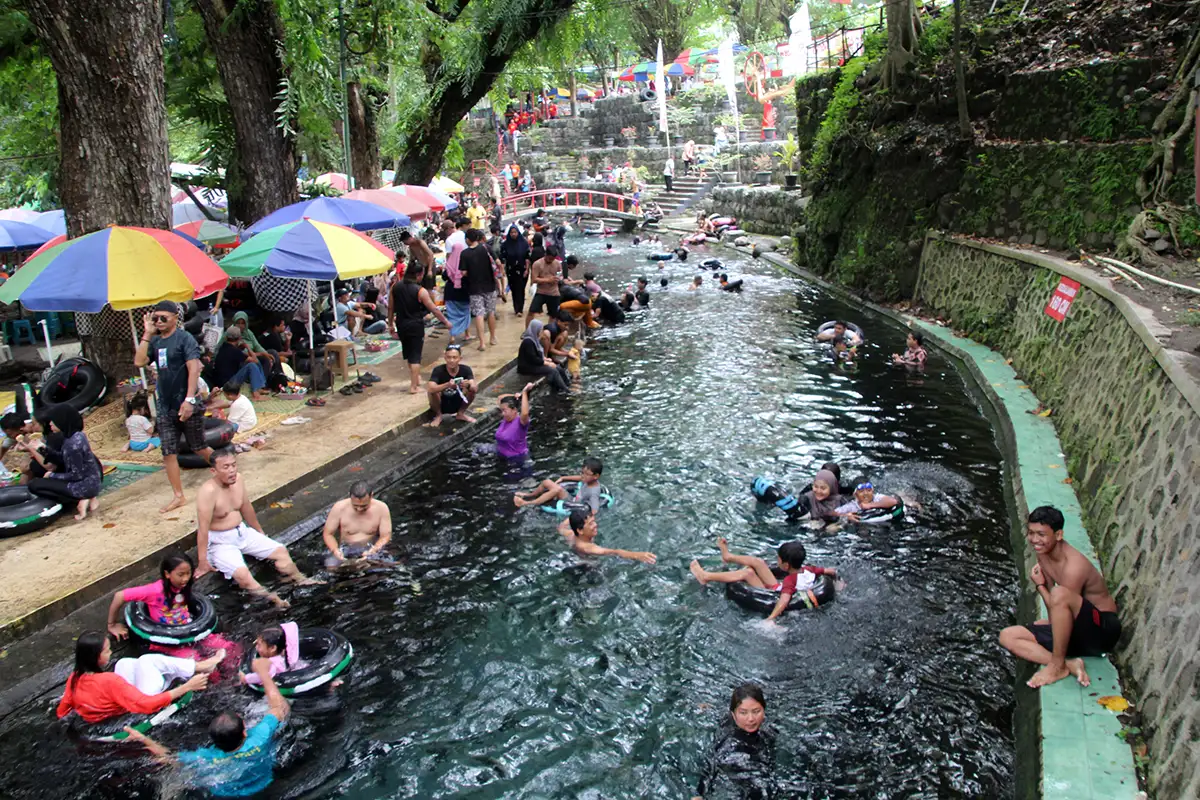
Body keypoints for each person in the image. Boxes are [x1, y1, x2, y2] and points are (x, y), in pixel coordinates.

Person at [126, 655, 290, 797]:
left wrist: (142, 739)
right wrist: (263, 672)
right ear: (245, 733)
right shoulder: (260, 737)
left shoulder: (205, 757)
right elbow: (279, 708)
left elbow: (167, 758)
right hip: (264, 785)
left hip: (222, 794)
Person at [998, 506, 1121, 689]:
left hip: (1102, 632)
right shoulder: (1043, 553)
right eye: (1031, 533)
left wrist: (1040, 586)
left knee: (1059, 594)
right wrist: (1050, 622)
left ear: (1058, 535)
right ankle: (1068, 665)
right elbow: (1056, 612)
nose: (1034, 540)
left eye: (1041, 534)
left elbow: (1060, 605)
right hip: (1078, 631)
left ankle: (1056, 666)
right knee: (1007, 636)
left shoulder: (1074, 567)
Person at [195, 448, 315, 607]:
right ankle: (275, 600)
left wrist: (259, 531)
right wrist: (202, 561)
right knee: (243, 575)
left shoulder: (238, 480)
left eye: (233, 465)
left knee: (280, 551)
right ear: (213, 471)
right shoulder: (208, 492)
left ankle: (301, 580)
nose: (231, 470)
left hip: (241, 531)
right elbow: (202, 529)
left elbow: (246, 508)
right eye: (225, 467)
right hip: (220, 541)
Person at [135, 300, 212, 513]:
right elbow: (139, 361)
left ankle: (224, 471)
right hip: (165, 405)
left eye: (163, 318)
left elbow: (193, 369)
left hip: (186, 401)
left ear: (175, 318)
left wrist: (188, 400)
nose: (158, 322)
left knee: (199, 446)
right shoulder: (156, 342)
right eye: (155, 318)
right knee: (168, 452)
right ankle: (178, 495)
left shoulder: (184, 339)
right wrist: (147, 334)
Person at [105, 551, 238, 666]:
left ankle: (235, 681)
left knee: (228, 648)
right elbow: (120, 595)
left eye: (188, 573)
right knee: (195, 661)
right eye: (180, 575)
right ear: (167, 574)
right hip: (167, 642)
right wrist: (112, 624)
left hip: (189, 632)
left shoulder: (184, 586)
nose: (185, 579)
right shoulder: (155, 591)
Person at [56, 630, 216, 724]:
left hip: (107, 714)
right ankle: (199, 666)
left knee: (123, 664)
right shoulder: (109, 681)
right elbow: (146, 705)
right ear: (96, 657)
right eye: (107, 651)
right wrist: (187, 687)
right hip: (135, 711)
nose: (111, 653)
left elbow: (61, 712)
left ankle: (188, 667)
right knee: (148, 660)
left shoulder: (74, 677)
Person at [688, 538, 838, 622]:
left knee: (747, 574)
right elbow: (829, 571)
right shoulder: (809, 569)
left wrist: (771, 618)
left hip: (774, 593)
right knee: (758, 562)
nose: (776, 562)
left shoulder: (790, 581)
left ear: (785, 565)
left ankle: (706, 576)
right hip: (780, 586)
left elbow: (784, 599)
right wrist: (837, 580)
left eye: (778, 560)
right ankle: (728, 556)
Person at [692, 684, 776, 800]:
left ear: (764, 711)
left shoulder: (770, 731)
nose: (751, 719)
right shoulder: (729, 741)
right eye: (743, 713)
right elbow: (712, 762)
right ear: (734, 715)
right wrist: (699, 794)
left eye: (756, 711)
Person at [27, 405, 102, 521]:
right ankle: (88, 497)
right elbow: (63, 459)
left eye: (54, 421)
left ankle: (81, 498)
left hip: (84, 485)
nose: (50, 423)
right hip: (91, 481)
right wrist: (42, 448)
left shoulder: (73, 444)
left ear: (62, 421)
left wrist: (52, 475)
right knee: (41, 480)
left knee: (34, 485)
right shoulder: (75, 436)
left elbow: (76, 475)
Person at [388, 262, 451, 393]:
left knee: (409, 353)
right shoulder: (420, 291)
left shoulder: (395, 287)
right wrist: (445, 321)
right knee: (416, 355)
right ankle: (413, 387)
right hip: (415, 325)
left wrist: (390, 325)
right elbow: (433, 308)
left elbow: (390, 307)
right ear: (418, 275)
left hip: (401, 324)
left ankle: (415, 380)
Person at [322, 481, 393, 567]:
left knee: (389, 565)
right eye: (355, 505)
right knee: (330, 566)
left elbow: (385, 536)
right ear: (350, 497)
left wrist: (374, 549)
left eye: (364, 506)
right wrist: (335, 550)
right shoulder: (339, 508)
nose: (359, 509)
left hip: (370, 548)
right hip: (345, 550)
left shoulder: (381, 508)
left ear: (371, 496)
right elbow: (328, 534)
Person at [557, 508, 656, 564]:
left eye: (594, 521)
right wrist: (636, 555)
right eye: (590, 524)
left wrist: (573, 516)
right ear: (580, 530)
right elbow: (615, 552)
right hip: (586, 567)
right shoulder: (589, 548)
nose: (595, 525)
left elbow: (560, 527)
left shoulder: (570, 534)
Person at [462, 228, 502, 351]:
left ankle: (482, 343)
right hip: (489, 286)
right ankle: (493, 337)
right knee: (490, 312)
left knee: (479, 314)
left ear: (468, 239)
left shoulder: (465, 253)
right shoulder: (486, 248)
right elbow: (498, 262)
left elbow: (463, 273)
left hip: (474, 288)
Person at [514, 456, 604, 510]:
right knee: (547, 482)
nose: (583, 476)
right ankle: (530, 495)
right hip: (573, 498)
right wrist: (563, 478)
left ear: (596, 476)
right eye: (582, 472)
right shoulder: (588, 479)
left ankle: (526, 503)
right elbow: (579, 478)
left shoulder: (594, 491)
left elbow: (592, 508)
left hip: (573, 503)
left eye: (586, 474)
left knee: (557, 490)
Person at [426, 344, 478, 427]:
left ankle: (460, 413)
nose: (451, 360)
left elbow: (475, 388)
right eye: (449, 357)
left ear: (460, 358)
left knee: (472, 391)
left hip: (458, 401)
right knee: (433, 391)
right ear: (445, 358)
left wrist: (467, 385)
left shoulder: (466, 369)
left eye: (454, 357)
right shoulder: (438, 370)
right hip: (442, 403)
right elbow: (430, 389)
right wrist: (447, 385)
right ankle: (438, 415)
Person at [211, 326, 267, 400]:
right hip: (228, 383)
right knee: (252, 365)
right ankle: (256, 393)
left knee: (250, 364)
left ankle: (259, 386)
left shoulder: (224, 347)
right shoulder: (234, 351)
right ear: (239, 338)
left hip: (221, 381)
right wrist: (247, 347)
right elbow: (255, 360)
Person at [516, 319, 571, 393]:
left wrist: (545, 359)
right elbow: (533, 359)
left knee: (557, 366)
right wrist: (547, 363)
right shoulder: (528, 342)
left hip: (534, 364)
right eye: (540, 330)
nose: (542, 332)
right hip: (527, 367)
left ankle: (567, 384)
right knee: (552, 370)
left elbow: (537, 355)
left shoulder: (534, 340)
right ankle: (565, 390)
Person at [442, 218, 473, 344]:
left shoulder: (449, 266)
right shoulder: (464, 267)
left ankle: (452, 336)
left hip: (450, 293)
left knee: (452, 314)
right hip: (463, 292)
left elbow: (444, 276)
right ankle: (467, 333)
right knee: (465, 311)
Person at [496, 382, 535, 460]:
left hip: (517, 460)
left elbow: (525, 413)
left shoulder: (521, 423)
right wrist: (515, 396)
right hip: (501, 456)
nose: (502, 414)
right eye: (502, 410)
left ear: (514, 410)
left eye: (504, 411)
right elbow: (500, 397)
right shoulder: (506, 419)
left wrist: (524, 392)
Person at [526, 243, 563, 325]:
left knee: (553, 315)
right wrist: (548, 280)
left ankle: (550, 330)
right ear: (545, 255)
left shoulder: (557, 263)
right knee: (531, 312)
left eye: (552, 259)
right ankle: (527, 331)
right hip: (541, 292)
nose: (550, 261)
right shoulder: (537, 264)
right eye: (549, 259)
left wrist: (559, 279)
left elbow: (561, 275)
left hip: (554, 292)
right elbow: (534, 279)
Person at [499, 224, 531, 315]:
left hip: (522, 269)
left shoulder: (524, 243)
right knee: (514, 289)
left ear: (518, 232)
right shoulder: (505, 244)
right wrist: (502, 270)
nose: (513, 234)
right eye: (512, 232)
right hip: (511, 270)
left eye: (515, 232)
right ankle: (517, 309)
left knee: (520, 289)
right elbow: (502, 258)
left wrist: (527, 269)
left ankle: (520, 308)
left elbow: (527, 257)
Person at [834, 480, 900, 523]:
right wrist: (845, 515)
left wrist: (870, 505)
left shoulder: (876, 498)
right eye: (861, 491)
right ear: (855, 494)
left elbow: (893, 501)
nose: (866, 493)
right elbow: (832, 513)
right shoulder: (852, 506)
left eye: (868, 490)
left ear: (872, 491)